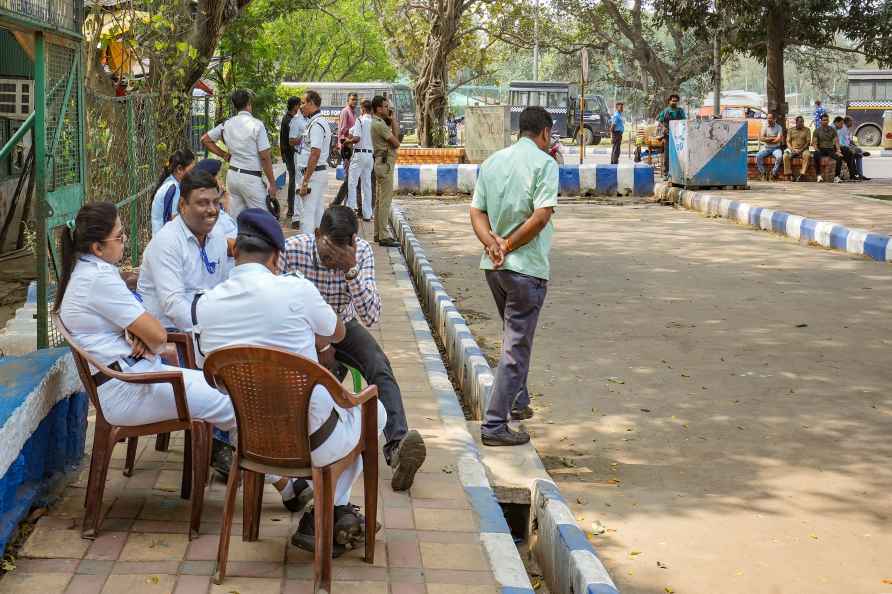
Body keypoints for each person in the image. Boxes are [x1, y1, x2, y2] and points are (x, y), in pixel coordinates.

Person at [197, 208, 386, 555]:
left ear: (234, 250)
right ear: (277, 257)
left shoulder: (206, 305)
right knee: (375, 411)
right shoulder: (297, 290)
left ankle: (319, 510)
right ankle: (327, 509)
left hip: (250, 439)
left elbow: (208, 371)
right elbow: (339, 332)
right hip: (311, 440)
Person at [278, 206, 426, 490]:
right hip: (301, 330)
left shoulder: (360, 255)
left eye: (339, 256)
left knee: (378, 365)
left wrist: (350, 271)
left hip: (342, 326)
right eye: (327, 255)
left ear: (353, 243)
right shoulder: (292, 250)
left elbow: (371, 316)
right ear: (318, 234)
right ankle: (301, 444)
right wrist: (318, 343)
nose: (332, 262)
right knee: (317, 381)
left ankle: (397, 448)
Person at [55, 202, 235, 431]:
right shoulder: (98, 278)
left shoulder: (85, 271)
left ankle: (251, 461)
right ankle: (264, 462)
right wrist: (145, 336)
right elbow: (159, 338)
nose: (125, 241)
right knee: (235, 405)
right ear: (97, 248)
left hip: (132, 375)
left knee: (227, 390)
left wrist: (134, 332)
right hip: (131, 388)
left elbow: (143, 328)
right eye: (119, 237)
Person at [469, 106, 558, 447]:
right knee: (515, 347)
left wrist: (491, 242)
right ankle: (494, 425)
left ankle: (518, 401)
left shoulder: (493, 162)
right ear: (545, 133)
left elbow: (476, 211)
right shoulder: (544, 164)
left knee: (513, 336)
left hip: (494, 267)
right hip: (525, 268)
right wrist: (507, 243)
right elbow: (541, 216)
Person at [137, 169, 231, 332]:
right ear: (182, 205)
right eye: (202, 203)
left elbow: (220, 289)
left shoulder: (216, 233)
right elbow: (174, 307)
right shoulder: (167, 242)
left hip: (207, 327)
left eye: (215, 202)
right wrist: (213, 333)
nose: (212, 210)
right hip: (171, 334)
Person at [201, 89, 277, 218]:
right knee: (264, 219)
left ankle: (234, 238)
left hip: (233, 177)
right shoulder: (257, 125)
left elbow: (205, 139)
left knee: (234, 219)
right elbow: (264, 157)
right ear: (249, 103)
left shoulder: (227, 124)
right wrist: (272, 183)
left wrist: (225, 155)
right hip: (251, 178)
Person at [296, 90, 332, 236]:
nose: (301, 107)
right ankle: (317, 247)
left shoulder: (316, 124)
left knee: (307, 213)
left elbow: (315, 153)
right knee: (317, 212)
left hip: (313, 174)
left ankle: (306, 248)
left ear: (311, 103)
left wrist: (305, 181)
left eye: (303, 103)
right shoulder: (316, 122)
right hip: (317, 173)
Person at [370, 95, 400, 247]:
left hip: (380, 163)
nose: (388, 109)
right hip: (385, 164)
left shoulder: (377, 122)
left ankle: (377, 233)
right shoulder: (380, 124)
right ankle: (384, 235)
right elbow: (396, 142)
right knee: (385, 201)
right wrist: (393, 119)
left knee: (379, 200)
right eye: (385, 106)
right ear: (378, 108)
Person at [150, 149, 195, 235]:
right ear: (179, 169)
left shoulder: (169, 183)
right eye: (191, 170)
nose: (194, 174)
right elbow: (174, 219)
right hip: (165, 242)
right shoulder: (174, 188)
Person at [346, 99, 374, 222]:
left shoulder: (360, 120)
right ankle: (367, 214)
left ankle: (351, 211)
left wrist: (348, 141)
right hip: (370, 156)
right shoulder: (374, 122)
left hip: (359, 155)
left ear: (362, 109)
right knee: (367, 185)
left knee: (352, 183)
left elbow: (356, 138)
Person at [333, 93, 359, 207]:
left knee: (351, 178)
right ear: (348, 100)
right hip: (346, 147)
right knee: (349, 178)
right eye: (352, 100)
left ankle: (345, 203)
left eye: (356, 100)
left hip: (351, 146)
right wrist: (351, 138)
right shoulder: (345, 112)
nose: (354, 102)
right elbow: (343, 131)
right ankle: (337, 203)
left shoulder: (353, 112)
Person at [811, 113, 849, 183]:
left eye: (827, 120)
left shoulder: (832, 130)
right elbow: (814, 143)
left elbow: (836, 141)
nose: (825, 121)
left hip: (830, 149)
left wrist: (838, 150)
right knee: (816, 155)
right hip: (821, 149)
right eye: (824, 120)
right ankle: (819, 176)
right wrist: (817, 150)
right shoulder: (817, 130)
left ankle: (836, 177)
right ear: (820, 121)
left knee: (839, 157)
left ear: (828, 121)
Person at [280, 97, 301, 221]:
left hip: (288, 153)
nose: (300, 107)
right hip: (290, 154)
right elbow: (288, 140)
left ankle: (292, 209)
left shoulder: (289, 118)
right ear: (295, 106)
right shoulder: (289, 120)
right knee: (293, 180)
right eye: (299, 105)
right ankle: (291, 209)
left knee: (294, 179)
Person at [288, 98, 307, 230]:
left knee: (305, 186)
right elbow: (291, 141)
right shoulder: (296, 120)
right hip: (299, 156)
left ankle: (303, 215)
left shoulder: (308, 120)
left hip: (308, 157)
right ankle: (296, 217)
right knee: (298, 185)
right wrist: (304, 137)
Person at [657, 94, 686, 180]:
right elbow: (659, 121)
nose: (674, 102)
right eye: (673, 100)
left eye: (676, 101)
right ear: (669, 101)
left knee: (679, 155)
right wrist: (664, 128)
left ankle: (678, 173)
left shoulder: (680, 111)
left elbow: (684, 121)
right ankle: (666, 174)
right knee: (667, 155)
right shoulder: (665, 111)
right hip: (667, 136)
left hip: (679, 137)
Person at [755, 112, 784, 181]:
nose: (769, 120)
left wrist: (767, 139)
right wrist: (772, 138)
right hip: (766, 148)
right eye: (768, 118)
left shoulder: (779, 127)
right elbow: (762, 138)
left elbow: (778, 140)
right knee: (758, 156)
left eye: (770, 118)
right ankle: (763, 173)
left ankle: (773, 173)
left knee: (779, 157)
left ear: (775, 119)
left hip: (776, 148)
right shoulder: (765, 126)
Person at [841, 116, 871, 180]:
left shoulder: (847, 130)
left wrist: (854, 145)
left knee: (859, 155)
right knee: (858, 154)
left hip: (849, 147)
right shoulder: (843, 130)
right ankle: (858, 174)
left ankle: (860, 175)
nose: (852, 123)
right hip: (844, 149)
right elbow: (844, 143)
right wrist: (852, 147)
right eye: (851, 121)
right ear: (847, 122)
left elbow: (850, 141)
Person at [783, 116, 812, 182]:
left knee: (807, 155)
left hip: (803, 149)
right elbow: (788, 141)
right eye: (800, 122)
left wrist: (801, 150)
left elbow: (808, 142)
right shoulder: (791, 130)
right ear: (796, 122)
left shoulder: (807, 130)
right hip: (792, 149)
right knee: (785, 156)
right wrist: (792, 149)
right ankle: (789, 174)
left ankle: (802, 174)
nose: (801, 123)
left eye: (802, 122)